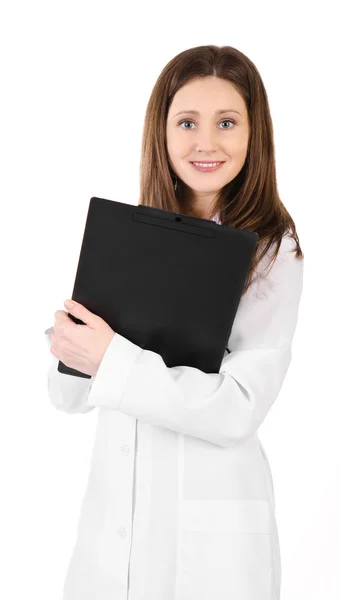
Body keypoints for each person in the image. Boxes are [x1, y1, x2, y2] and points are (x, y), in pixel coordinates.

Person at [45, 45, 304, 600]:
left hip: (210, 549)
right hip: (113, 533)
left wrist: (110, 357)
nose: (205, 142)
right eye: (187, 122)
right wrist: (74, 344)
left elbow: (236, 406)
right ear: (160, 132)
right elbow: (68, 398)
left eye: (227, 122)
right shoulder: (131, 238)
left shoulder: (273, 251)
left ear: (254, 135)